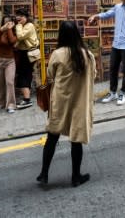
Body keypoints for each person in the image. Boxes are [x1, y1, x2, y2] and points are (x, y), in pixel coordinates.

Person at [36, 21, 96, 187]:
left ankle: (44, 173)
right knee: (76, 141)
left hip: (61, 101)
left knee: (52, 137)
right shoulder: (87, 55)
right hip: (80, 103)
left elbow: (50, 75)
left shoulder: (57, 54)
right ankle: (76, 177)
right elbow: (94, 75)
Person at [14, 8, 39, 109]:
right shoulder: (25, 26)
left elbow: (20, 36)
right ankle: (26, 98)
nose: (18, 18)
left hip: (28, 54)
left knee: (24, 74)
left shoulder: (29, 26)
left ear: (26, 17)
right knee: (25, 74)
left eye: (21, 16)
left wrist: (19, 25)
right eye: (17, 16)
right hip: (24, 53)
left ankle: (27, 99)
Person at [0, 15, 17, 113]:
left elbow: (12, 41)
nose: (7, 24)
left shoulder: (14, 32)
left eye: (9, 22)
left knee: (10, 82)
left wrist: (10, 29)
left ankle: (11, 105)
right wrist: (3, 29)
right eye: (5, 22)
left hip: (10, 60)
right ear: (2, 22)